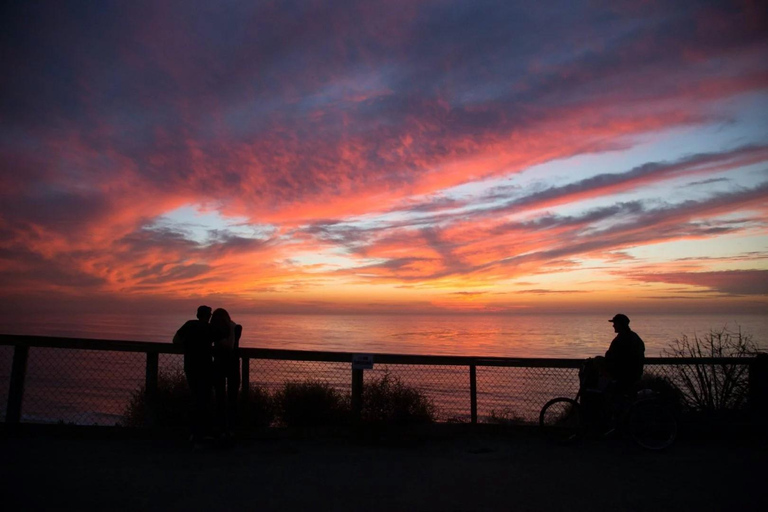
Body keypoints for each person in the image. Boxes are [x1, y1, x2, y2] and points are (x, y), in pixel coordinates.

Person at [173, 305, 214, 445]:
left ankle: (193, 433)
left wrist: (188, 345)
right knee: (205, 399)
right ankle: (202, 434)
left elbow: (175, 340)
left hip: (190, 366)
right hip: (206, 368)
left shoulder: (189, 325)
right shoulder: (210, 328)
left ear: (197, 315)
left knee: (195, 397)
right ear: (208, 316)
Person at [210, 308, 242, 439]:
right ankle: (230, 429)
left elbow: (227, 345)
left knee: (220, 398)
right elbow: (233, 345)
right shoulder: (236, 327)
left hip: (220, 365)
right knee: (231, 398)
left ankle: (222, 428)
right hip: (232, 365)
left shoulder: (218, 330)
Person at [603, 313, 645, 393]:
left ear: (620, 324)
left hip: (623, 374)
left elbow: (613, 357)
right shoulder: (634, 337)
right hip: (635, 374)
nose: (613, 326)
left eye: (615, 323)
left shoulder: (621, 339)